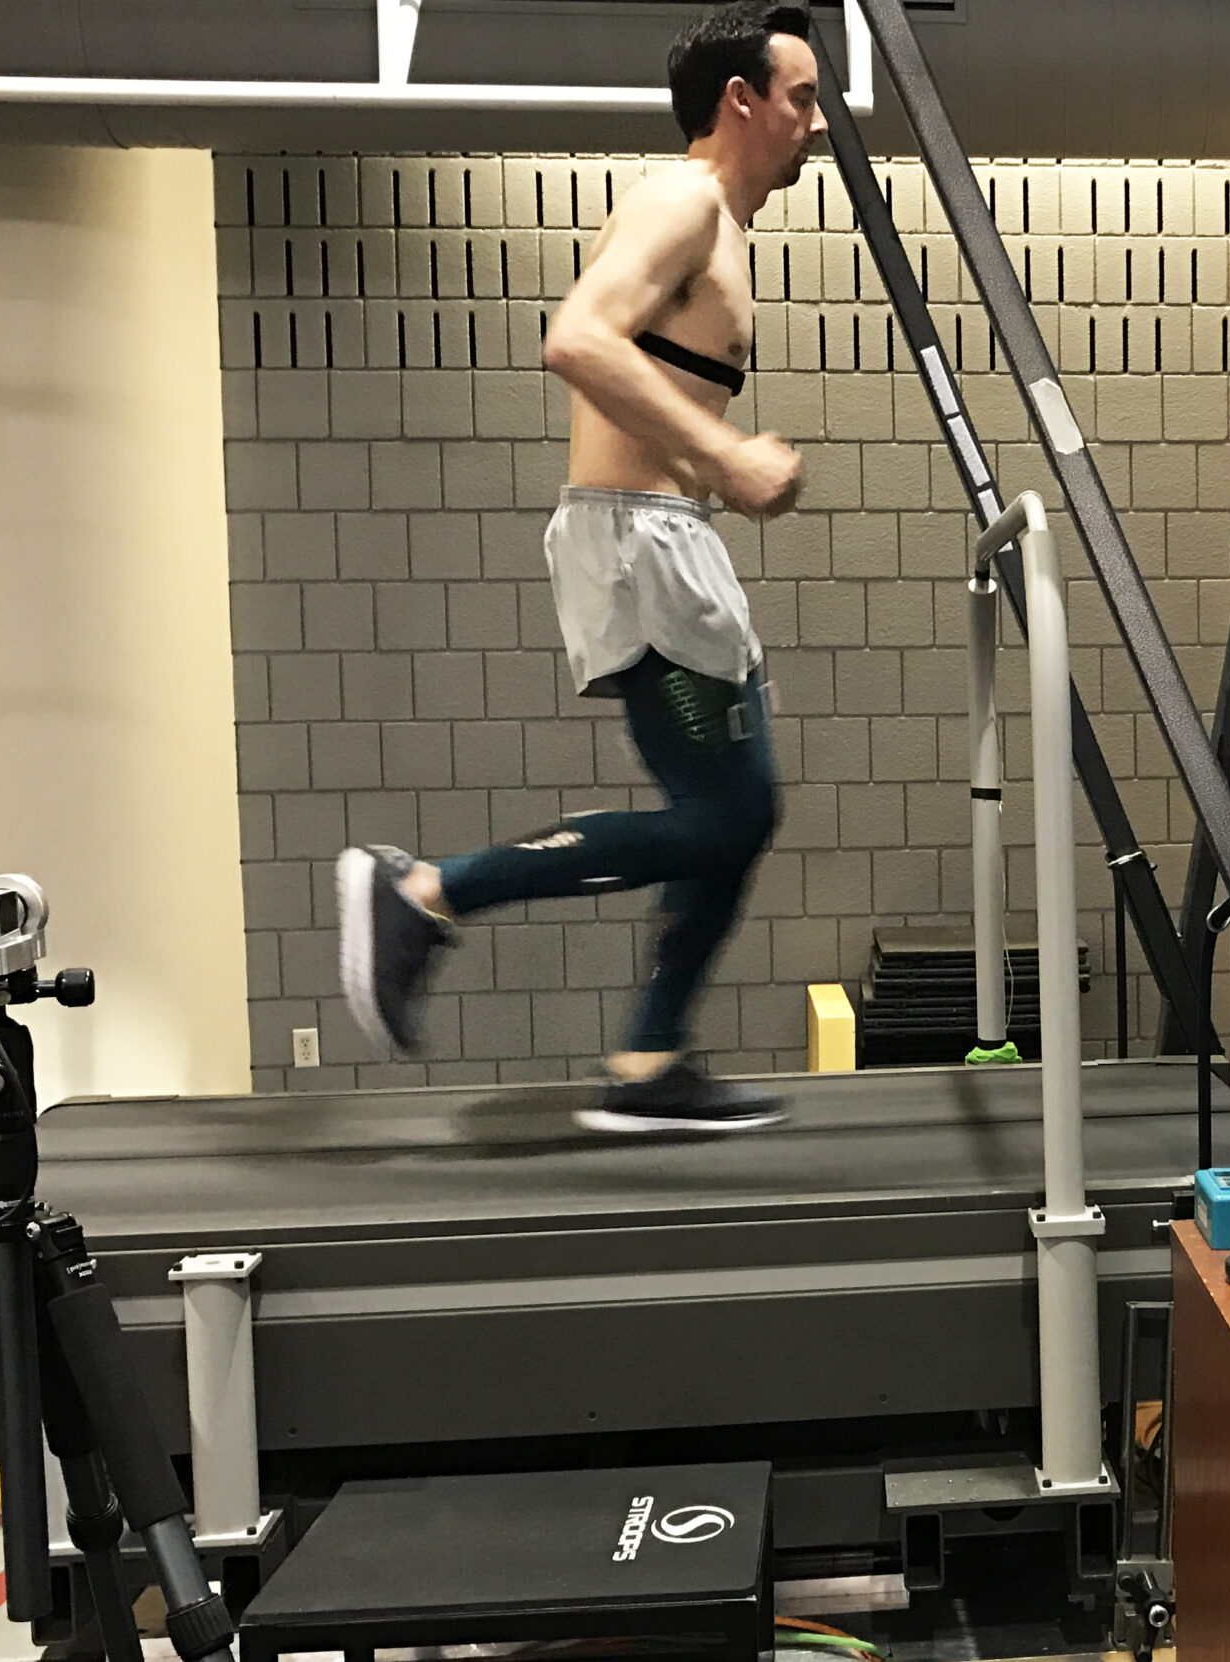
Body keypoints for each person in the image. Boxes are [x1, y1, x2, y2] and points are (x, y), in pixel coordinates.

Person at [335, 1, 824, 1132]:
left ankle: (651, 1064)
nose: (818, 124)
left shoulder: (716, 222)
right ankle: (424, 891)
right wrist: (724, 455)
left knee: (737, 812)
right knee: (718, 821)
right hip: (636, 544)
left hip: (663, 539)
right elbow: (576, 338)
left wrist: (709, 472)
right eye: (802, 97)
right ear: (740, 101)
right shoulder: (683, 199)